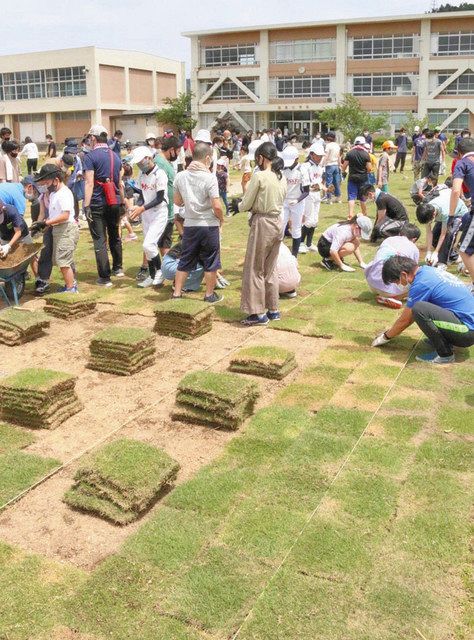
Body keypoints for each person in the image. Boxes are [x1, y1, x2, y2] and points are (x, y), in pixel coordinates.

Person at [372, 256, 474, 364]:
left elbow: (405, 320)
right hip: (467, 323)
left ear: (403, 275)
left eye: (396, 282)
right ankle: (445, 340)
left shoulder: (421, 283)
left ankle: (445, 354)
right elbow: (418, 292)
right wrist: (397, 297)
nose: (398, 285)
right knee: (422, 306)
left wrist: (385, 337)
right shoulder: (426, 271)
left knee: (419, 309)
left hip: (466, 331)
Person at [237, 141, 287, 325]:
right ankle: (273, 309)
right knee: (270, 268)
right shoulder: (281, 176)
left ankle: (257, 313)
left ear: (261, 157)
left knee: (254, 268)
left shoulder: (260, 176)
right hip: (277, 222)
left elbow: (246, 203)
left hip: (263, 222)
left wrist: (239, 205)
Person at [172, 142, 224, 302]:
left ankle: (177, 293)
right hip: (208, 225)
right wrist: (221, 219)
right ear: (207, 158)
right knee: (211, 260)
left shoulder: (180, 176)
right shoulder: (210, 178)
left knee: (185, 259)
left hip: (190, 225)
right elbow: (217, 205)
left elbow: (177, 201)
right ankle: (209, 294)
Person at [83, 124, 124, 287]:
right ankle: (118, 268)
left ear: (93, 138)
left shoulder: (90, 156)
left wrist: (86, 206)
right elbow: (120, 183)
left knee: (100, 238)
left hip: (97, 202)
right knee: (115, 235)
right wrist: (123, 202)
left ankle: (104, 277)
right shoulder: (116, 156)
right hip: (114, 201)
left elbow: (89, 183)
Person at [30, 164, 80, 293]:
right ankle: (70, 284)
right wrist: (39, 225)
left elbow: (65, 215)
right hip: (57, 228)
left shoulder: (64, 193)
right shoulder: (53, 194)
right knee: (59, 258)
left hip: (66, 229)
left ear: (56, 180)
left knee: (63, 259)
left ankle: (71, 288)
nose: (46, 185)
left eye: (47, 182)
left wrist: (46, 223)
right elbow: (51, 214)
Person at [128, 146, 169, 288]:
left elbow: (159, 198)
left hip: (158, 213)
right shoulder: (141, 175)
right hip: (146, 214)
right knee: (147, 247)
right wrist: (136, 206)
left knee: (149, 244)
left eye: (141, 162)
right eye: (138, 164)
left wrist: (141, 208)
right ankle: (152, 276)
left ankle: (160, 271)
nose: (140, 165)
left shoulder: (160, 174)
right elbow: (141, 196)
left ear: (149, 158)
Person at [364, 223, 420, 309]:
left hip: (372, 283)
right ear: (414, 239)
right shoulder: (413, 248)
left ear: (400, 233)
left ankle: (384, 293)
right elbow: (413, 273)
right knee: (416, 281)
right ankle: (394, 298)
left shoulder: (388, 240)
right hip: (389, 290)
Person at [416, 187, 468, 270]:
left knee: (450, 233)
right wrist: (429, 252)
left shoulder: (445, 212)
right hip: (443, 216)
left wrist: (436, 252)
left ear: (433, 214)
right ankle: (453, 256)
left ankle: (443, 262)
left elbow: (443, 234)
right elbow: (429, 233)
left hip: (458, 214)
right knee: (435, 237)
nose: (429, 222)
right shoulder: (427, 210)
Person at [450, 137, 474, 291]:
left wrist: (451, 215)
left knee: (464, 250)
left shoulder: (462, 163)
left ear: (459, 153)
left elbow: (456, 190)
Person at [155, 135, 182, 260]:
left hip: (169, 210)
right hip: (163, 211)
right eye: (177, 151)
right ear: (171, 149)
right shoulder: (159, 164)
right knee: (163, 244)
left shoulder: (166, 163)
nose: (178, 154)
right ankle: (169, 270)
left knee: (164, 243)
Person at [281, 145, 309, 257]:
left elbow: (306, 191)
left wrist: (297, 200)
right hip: (284, 201)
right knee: (280, 226)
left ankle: (294, 256)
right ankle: (278, 253)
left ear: (297, 159)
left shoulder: (302, 170)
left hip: (297, 202)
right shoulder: (283, 169)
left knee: (296, 228)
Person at [300, 142, 325, 253]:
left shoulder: (320, 167)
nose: (320, 158)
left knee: (315, 220)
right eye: (318, 156)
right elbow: (305, 183)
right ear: (311, 154)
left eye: (321, 156)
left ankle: (309, 243)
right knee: (308, 220)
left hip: (317, 195)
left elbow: (320, 182)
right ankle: (300, 243)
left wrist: (324, 188)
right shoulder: (305, 166)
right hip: (308, 195)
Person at [341, 136, 371, 218]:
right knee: (363, 197)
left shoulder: (350, 153)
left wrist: (343, 172)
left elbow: (344, 166)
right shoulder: (366, 154)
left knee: (351, 197)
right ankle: (364, 213)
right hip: (363, 178)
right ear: (363, 144)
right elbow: (369, 168)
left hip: (352, 178)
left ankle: (350, 214)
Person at [323, 131, 341, 204]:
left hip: (329, 165)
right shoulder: (337, 145)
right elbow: (339, 156)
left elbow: (326, 155)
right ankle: (338, 197)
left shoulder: (328, 145)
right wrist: (339, 165)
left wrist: (322, 164)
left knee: (329, 182)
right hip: (336, 165)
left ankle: (329, 198)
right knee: (336, 182)